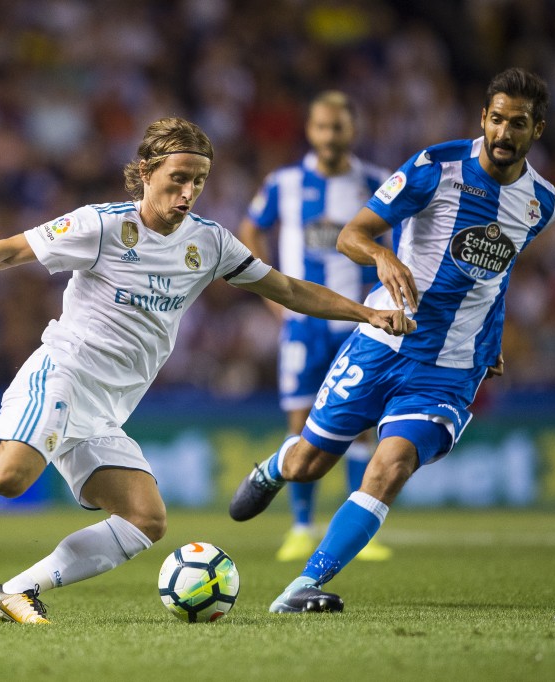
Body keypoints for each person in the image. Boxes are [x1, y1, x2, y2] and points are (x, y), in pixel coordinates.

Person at [0, 117, 410, 625]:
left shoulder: (209, 243)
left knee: (146, 519)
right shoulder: (102, 226)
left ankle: (15, 591)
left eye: (198, 181)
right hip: (63, 373)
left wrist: (366, 313)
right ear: (145, 172)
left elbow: (284, 287)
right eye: (177, 178)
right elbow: (8, 251)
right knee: (6, 479)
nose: (188, 193)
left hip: (109, 408)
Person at [229, 68, 555, 613]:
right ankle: (277, 466)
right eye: (496, 119)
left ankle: (301, 587)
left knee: (392, 462)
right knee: (312, 462)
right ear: (483, 119)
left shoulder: (540, 203)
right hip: (382, 340)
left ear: (536, 130)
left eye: (517, 124)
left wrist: (492, 337)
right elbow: (350, 234)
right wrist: (384, 255)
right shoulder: (435, 167)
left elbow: (497, 276)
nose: (504, 133)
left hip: (451, 367)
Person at [238, 91, 393, 562]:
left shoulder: (377, 182)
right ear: (310, 131)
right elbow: (249, 228)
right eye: (323, 127)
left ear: (352, 130)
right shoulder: (283, 182)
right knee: (300, 422)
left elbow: (400, 240)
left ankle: (357, 531)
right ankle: (302, 528)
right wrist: (269, 294)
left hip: (356, 321)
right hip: (302, 325)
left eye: (338, 127)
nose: (330, 136)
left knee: (360, 425)